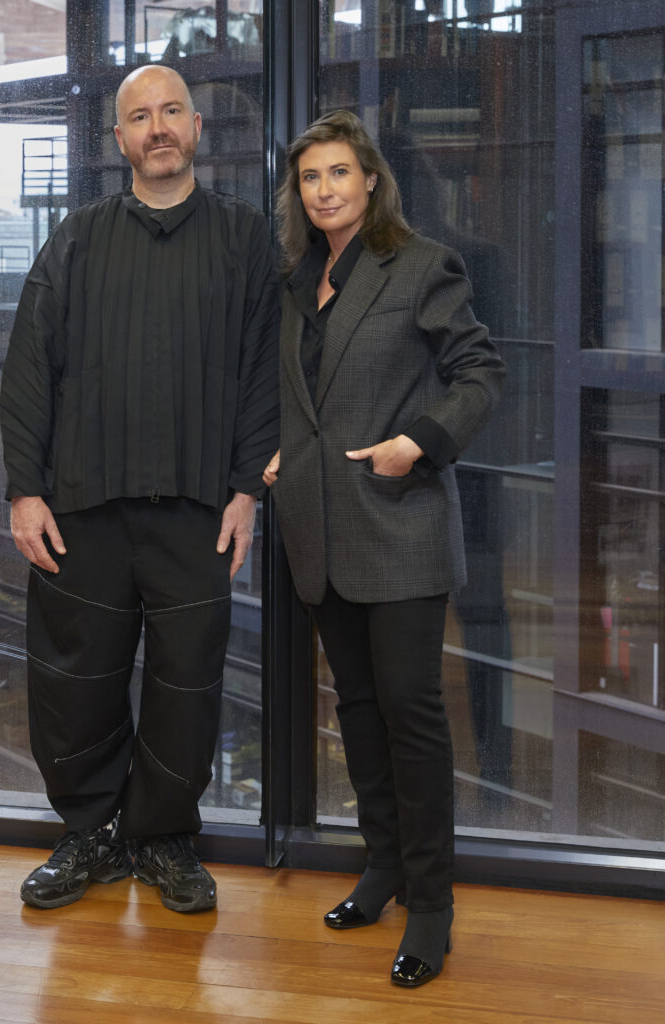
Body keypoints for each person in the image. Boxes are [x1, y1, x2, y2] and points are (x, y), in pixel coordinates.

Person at [0, 65, 279, 915]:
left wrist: (245, 490)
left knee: (187, 686)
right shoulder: (75, 237)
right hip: (80, 506)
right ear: (117, 140)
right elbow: (27, 371)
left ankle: (163, 840)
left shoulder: (245, 240)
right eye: (138, 118)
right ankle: (88, 835)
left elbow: (265, 371)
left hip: (200, 509)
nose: (156, 129)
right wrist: (24, 490)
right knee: (73, 683)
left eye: (170, 113)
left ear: (196, 129)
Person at [263, 110, 505, 986]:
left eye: (338, 174)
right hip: (319, 530)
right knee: (357, 712)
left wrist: (423, 442)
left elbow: (482, 373)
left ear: (370, 180)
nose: (324, 190)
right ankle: (383, 867)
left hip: (398, 522)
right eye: (310, 178)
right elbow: (303, 395)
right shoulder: (298, 280)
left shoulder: (420, 265)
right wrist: (282, 451)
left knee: (411, 714)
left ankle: (432, 907)